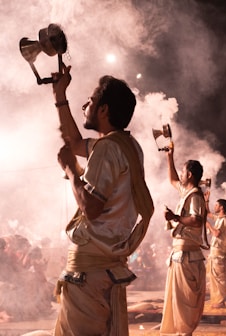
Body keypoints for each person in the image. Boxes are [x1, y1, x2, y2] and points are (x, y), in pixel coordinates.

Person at [51, 64, 154, 335]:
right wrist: (60, 96)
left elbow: (92, 208)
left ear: (104, 109)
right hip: (105, 268)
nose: (86, 104)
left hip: (89, 273)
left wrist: (71, 170)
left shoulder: (108, 148)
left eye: (92, 100)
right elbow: (74, 142)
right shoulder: (127, 146)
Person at [160, 150, 208, 335]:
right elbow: (172, 180)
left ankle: (185, 333)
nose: (180, 175)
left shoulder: (195, 196)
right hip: (182, 255)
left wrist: (175, 217)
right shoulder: (187, 192)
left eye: (182, 172)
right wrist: (169, 156)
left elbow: (196, 220)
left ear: (189, 175)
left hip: (187, 257)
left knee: (185, 300)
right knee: (180, 299)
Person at [205, 196, 226, 308]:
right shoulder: (220, 218)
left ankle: (220, 301)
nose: (214, 206)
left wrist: (208, 226)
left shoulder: (223, 220)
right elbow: (208, 214)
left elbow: (216, 233)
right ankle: (217, 300)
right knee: (214, 277)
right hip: (215, 251)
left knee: (219, 277)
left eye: (216, 205)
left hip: (218, 252)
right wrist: (206, 201)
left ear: (221, 207)